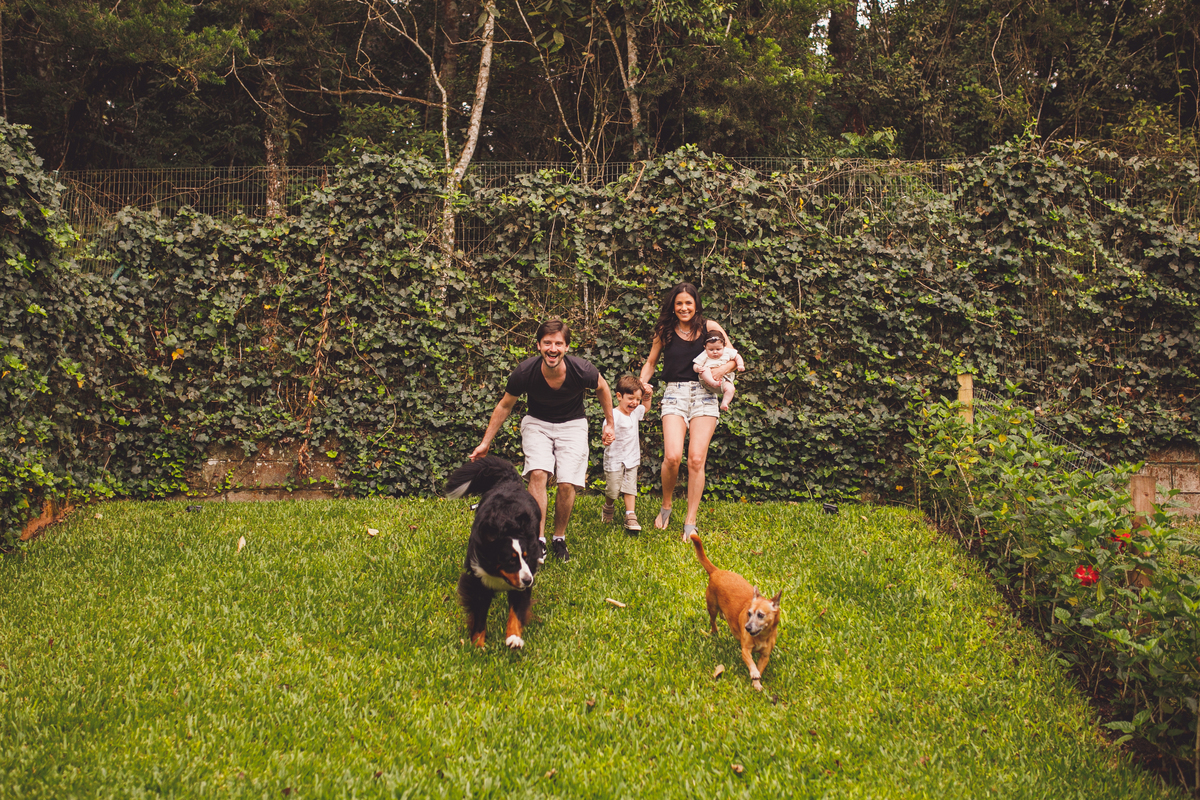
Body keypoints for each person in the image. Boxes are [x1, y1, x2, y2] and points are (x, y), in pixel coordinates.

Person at [469, 320, 615, 562]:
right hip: (537, 422)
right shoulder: (525, 372)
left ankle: (559, 538)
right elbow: (505, 405)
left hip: (573, 425)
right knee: (539, 472)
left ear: (567, 347)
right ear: (538, 345)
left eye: (558, 343)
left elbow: (602, 387)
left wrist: (609, 422)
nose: (553, 348)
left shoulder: (582, 369)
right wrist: (485, 443)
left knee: (567, 483)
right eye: (547, 343)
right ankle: (537, 539)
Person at [638, 282, 742, 541]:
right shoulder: (665, 330)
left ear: (696, 304)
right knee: (672, 457)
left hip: (705, 395)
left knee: (696, 459)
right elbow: (651, 362)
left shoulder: (710, 327)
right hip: (674, 394)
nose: (684, 307)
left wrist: (720, 371)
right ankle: (666, 505)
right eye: (679, 303)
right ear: (673, 306)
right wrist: (642, 384)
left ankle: (690, 520)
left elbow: (734, 356)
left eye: (688, 302)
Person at [602, 375, 653, 533]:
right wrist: (607, 438)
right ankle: (608, 506)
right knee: (613, 489)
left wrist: (648, 397)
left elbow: (646, 407)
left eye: (638, 399)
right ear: (619, 396)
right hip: (614, 459)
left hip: (631, 458)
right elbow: (606, 430)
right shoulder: (614, 415)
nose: (635, 403)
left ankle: (630, 515)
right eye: (631, 398)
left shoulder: (635, 412)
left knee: (630, 487)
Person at [692, 330, 745, 412]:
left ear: (724, 346)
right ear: (705, 347)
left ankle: (725, 403)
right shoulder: (704, 354)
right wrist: (697, 368)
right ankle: (713, 382)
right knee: (705, 370)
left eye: (718, 349)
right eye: (711, 349)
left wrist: (740, 365)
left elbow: (737, 357)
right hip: (707, 379)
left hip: (724, 379)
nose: (715, 352)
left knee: (731, 389)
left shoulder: (728, 351)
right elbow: (695, 364)